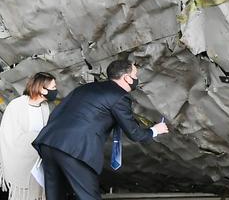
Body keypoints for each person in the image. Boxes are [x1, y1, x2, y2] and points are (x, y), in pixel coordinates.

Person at [32, 60, 168, 200]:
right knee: (89, 197)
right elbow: (134, 133)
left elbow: (57, 113)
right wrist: (155, 130)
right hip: (74, 149)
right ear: (127, 78)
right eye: (135, 74)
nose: (136, 78)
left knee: (55, 196)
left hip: (48, 143)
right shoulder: (119, 96)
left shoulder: (85, 88)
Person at [0, 72, 57, 200]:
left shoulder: (45, 107)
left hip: (40, 164)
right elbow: (9, 138)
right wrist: (39, 138)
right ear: (42, 89)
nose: (55, 91)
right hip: (23, 164)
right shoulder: (16, 106)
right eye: (53, 87)